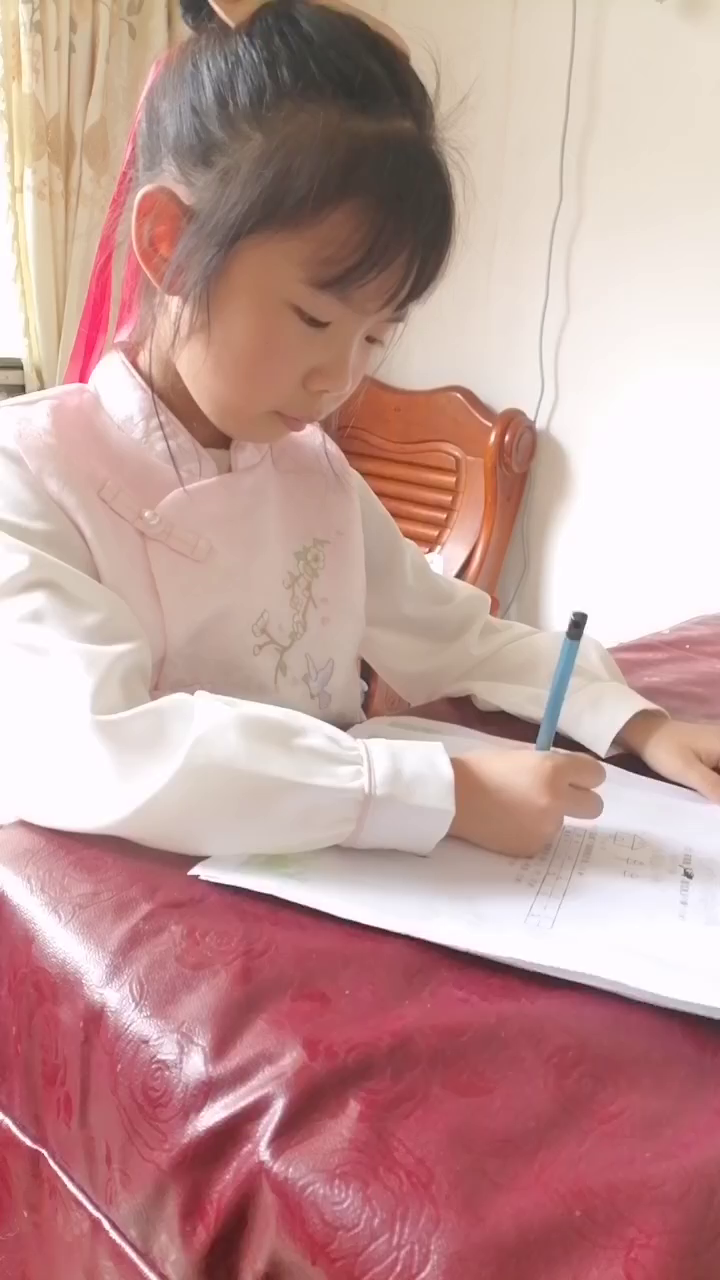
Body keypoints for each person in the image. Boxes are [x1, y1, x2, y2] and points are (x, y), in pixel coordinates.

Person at [1, 0, 719, 864]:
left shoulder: (314, 476)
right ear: (170, 245)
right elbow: (99, 743)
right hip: (141, 921)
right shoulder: (32, 474)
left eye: (376, 335)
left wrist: (636, 720)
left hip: (327, 893)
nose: (338, 379)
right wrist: (430, 792)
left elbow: (455, 636)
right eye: (314, 318)